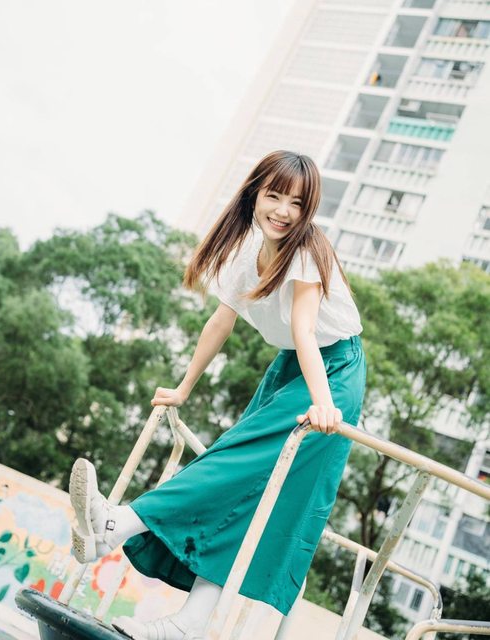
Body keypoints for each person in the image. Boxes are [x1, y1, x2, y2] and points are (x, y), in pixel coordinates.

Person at [69, 150, 366, 640]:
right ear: (254, 193)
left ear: (309, 209)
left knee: (236, 464)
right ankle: (187, 624)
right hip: (291, 366)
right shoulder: (247, 254)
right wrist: (184, 387)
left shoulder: (308, 250)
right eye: (275, 196)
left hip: (332, 372)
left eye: (297, 203)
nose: (284, 211)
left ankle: (117, 524)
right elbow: (220, 321)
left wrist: (324, 403)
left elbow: (306, 329)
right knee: (245, 496)